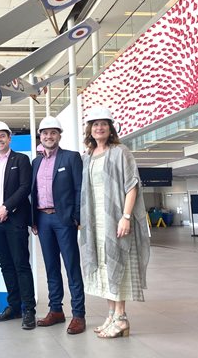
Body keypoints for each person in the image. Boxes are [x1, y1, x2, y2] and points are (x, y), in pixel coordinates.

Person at [79, 106, 150, 338]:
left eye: (104, 124)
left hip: (117, 220)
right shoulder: (87, 156)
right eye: (95, 124)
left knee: (117, 265)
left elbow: (132, 186)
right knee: (103, 268)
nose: (99, 127)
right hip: (96, 222)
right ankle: (111, 314)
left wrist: (126, 217)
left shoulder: (121, 152)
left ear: (110, 129)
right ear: (90, 129)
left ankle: (121, 318)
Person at [31, 116, 86, 335]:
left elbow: (79, 189)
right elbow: (32, 192)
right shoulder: (36, 162)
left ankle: (79, 314)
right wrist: (33, 220)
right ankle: (56, 310)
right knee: (51, 267)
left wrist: (77, 217)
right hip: (43, 220)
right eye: (45, 133)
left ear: (59, 135)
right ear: (40, 137)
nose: (48, 136)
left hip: (64, 220)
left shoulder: (71, 158)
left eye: (53, 133)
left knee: (72, 267)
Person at [0, 121, 36, 330]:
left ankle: (28, 309)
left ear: (9, 138)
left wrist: (6, 208)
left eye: (3, 136)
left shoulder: (21, 160)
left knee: (21, 265)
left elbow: (24, 188)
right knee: (6, 266)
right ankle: (14, 306)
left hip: (15, 220)